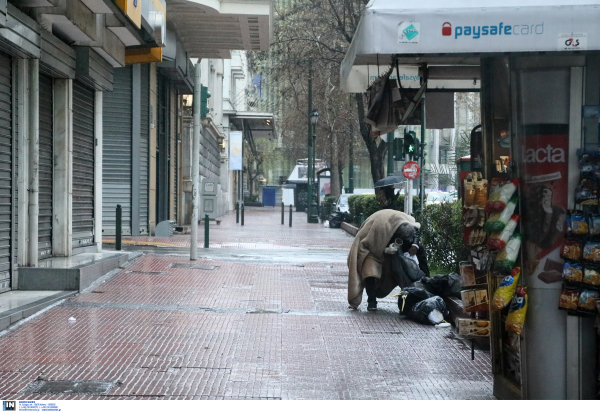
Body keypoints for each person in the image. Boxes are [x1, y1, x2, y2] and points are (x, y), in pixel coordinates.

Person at [347, 209, 429, 311]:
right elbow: (370, 244)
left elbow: (416, 231)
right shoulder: (380, 227)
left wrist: (415, 245)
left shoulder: (409, 223)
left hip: (391, 246)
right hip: (370, 248)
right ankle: (371, 301)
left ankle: (424, 285)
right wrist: (385, 249)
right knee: (369, 271)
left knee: (404, 264)